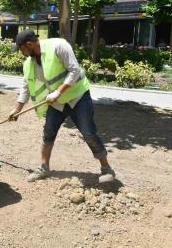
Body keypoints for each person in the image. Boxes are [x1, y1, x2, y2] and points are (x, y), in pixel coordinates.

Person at [8, 29, 115, 183]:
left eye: (22, 49)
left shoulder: (58, 46)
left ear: (29, 44)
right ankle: (44, 168)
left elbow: (75, 71)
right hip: (56, 102)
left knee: (89, 133)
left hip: (77, 98)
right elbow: (25, 87)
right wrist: (16, 110)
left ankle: (106, 168)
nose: (22, 53)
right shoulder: (29, 63)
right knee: (48, 132)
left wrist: (57, 92)